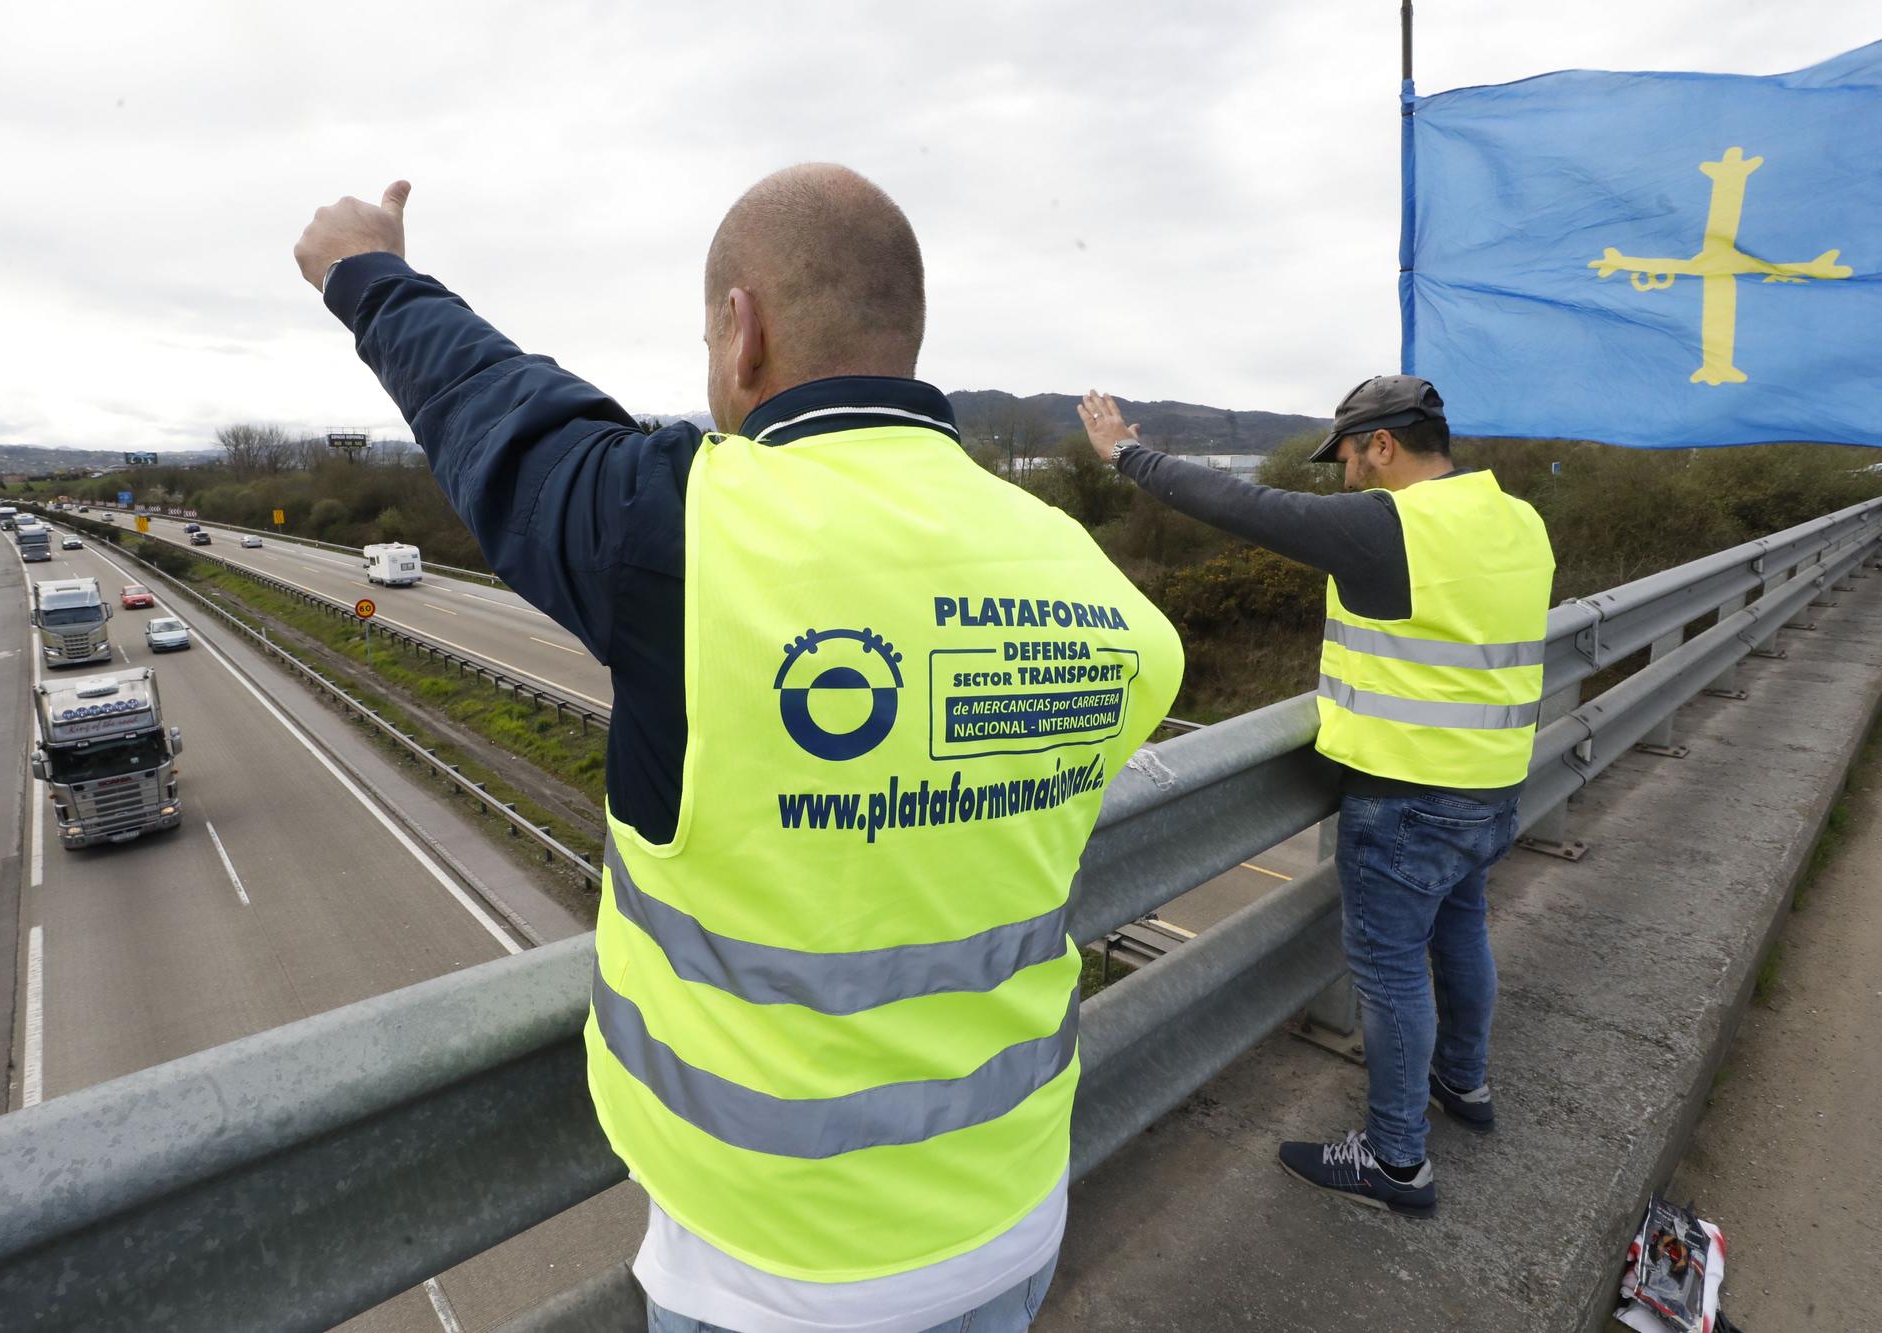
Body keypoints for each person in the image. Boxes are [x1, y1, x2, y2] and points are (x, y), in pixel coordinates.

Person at [295, 168, 1182, 1331]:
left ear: (740, 327)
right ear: (904, 336)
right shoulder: (1086, 580)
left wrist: (370, 275)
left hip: (770, 1275)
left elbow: (505, 419)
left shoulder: (682, 527)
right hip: (1008, 1220)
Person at [1077, 377, 1553, 1219]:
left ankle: (1397, 1161)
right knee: (1462, 928)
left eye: (1344, 456)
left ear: (1382, 444)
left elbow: (1239, 504)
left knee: (1393, 968)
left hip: (1407, 793)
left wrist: (1126, 454)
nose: (1341, 476)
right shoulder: (1517, 518)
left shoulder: (1391, 527)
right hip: (1493, 783)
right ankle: (1464, 1084)